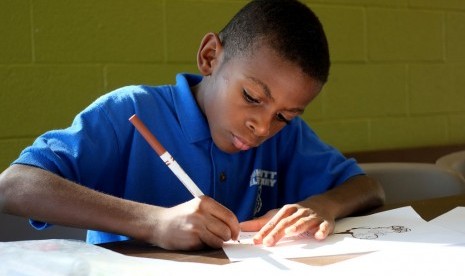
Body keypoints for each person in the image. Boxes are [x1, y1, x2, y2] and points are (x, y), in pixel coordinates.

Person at [0, 0, 385, 251]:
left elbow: (368, 187)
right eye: (252, 97)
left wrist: (320, 206)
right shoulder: (132, 110)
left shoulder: (287, 138)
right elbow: (14, 186)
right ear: (210, 57)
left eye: (285, 115)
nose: (263, 127)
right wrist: (153, 222)